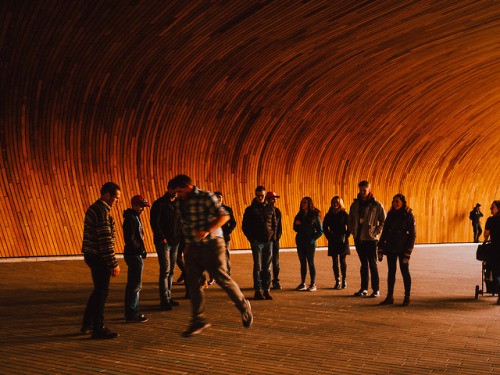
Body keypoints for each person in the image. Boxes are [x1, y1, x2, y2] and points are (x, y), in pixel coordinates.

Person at [171, 175, 253, 337]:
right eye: (176, 192)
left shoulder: (206, 196)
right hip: (193, 247)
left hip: (213, 245)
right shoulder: (180, 202)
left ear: (188, 187)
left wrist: (207, 230)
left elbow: (224, 216)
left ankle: (243, 306)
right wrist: (187, 245)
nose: (178, 195)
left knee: (222, 279)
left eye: (180, 191)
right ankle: (198, 319)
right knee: (193, 283)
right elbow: (185, 225)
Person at [81, 182, 121, 339]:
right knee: (102, 292)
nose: (116, 201)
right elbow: (105, 240)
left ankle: (87, 323)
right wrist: (113, 263)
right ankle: (97, 328)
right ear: (106, 195)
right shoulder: (102, 211)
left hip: (91, 254)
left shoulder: (94, 208)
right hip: (99, 256)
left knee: (98, 290)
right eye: (115, 198)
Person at [348, 180, 386, 298]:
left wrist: (376, 231)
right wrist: (353, 231)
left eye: (365, 190)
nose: (363, 192)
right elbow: (350, 219)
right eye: (361, 190)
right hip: (359, 239)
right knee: (363, 265)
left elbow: (384, 221)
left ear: (369, 190)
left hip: (371, 239)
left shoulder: (377, 205)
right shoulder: (355, 205)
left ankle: (376, 290)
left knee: (373, 265)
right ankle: (364, 289)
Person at [377, 194, 416, 306]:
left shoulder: (408, 214)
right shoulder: (390, 214)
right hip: (391, 247)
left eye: (397, 201)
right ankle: (390, 296)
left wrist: (409, 250)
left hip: (403, 248)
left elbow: (412, 234)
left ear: (403, 202)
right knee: (391, 272)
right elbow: (385, 231)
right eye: (394, 201)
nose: (395, 203)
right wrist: (380, 246)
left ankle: (407, 296)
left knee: (405, 272)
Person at [150, 180, 182, 310]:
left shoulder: (177, 204)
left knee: (172, 270)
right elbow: (154, 222)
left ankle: (168, 296)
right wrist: (162, 238)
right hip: (164, 242)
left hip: (175, 241)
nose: (177, 192)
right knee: (165, 270)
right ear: (169, 189)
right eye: (175, 190)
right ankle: (164, 300)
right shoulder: (159, 203)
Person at [242, 186, 277, 300]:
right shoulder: (250, 210)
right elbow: (245, 226)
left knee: (267, 267)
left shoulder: (271, 209)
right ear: (255, 195)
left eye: (262, 195)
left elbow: (274, 224)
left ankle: (267, 290)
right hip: (257, 242)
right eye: (258, 195)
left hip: (268, 241)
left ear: (265, 195)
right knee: (257, 266)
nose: (260, 198)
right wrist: (252, 239)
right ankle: (258, 290)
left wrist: (273, 237)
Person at [123, 195, 150, 322]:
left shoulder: (135, 217)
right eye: (140, 206)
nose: (142, 209)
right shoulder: (130, 218)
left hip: (135, 253)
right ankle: (132, 313)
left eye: (143, 207)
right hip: (134, 254)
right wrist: (140, 249)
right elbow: (131, 239)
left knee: (132, 285)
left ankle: (130, 311)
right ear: (134, 205)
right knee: (135, 286)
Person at [293, 197, 323, 292]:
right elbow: (295, 227)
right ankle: (303, 283)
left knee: (310, 263)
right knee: (302, 263)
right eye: (302, 202)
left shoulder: (314, 215)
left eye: (305, 202)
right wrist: (297, 225)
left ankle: (313, 284)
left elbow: (320, 231)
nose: (303, 204)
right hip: (300, 241)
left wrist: (312, 239)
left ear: (309, 204)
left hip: (310, 243)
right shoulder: (299, 214)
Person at [323, 196, 350, 289]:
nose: (335, 204)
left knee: (343, 261)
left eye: (337, 202)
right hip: (333, 239)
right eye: (333, 202)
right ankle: (337, 280)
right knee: (334, 262)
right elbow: (325, 227)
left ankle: (344, 280)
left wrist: (346, 235)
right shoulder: (329, 214)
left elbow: (349, 225)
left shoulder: (344, 214)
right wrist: (329, 236)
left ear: (340, 204)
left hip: (342, 240)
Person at [214, 192, 236, 275]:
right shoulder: (211, 210)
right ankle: (215, 276)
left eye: (219, 197)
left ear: (222, 198)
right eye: (216, 197)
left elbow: (233, 223)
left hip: (225, 238)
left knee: (226, 257)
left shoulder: (227, 209)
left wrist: (228, 231)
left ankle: (228, 274)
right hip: (214, 238)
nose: (218, 199)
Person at [483, 200, 500, 305]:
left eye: (492, 207)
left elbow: (486, 234)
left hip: (495, 249)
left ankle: (496, 287)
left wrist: (487, 239)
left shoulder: (491, 220)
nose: (491, 210)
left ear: (498, 208)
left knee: (497, 271)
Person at [266, 191, 283, 290]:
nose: (274, 200)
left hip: (275, 240)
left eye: (275, 198)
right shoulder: (264, 210)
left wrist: (278, 237)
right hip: (267, 240)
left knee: (275, 262)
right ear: (267, 200)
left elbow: (279, 226)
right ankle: (264, 280)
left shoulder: (277, 211)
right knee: (266, 262)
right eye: (273, 198)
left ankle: (275, 280)